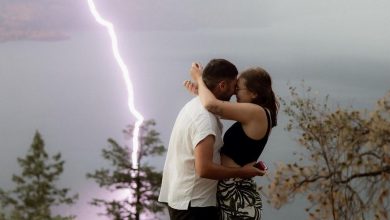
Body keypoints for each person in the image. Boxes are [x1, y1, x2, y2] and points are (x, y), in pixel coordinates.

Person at [158, 59, 264, 220]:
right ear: (222, 85)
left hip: (186, 201)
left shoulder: (195, 106)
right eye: (234, 86)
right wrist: (242, 172)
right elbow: (204, 169)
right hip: (195, 206)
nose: (235, 92)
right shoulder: (205, 119)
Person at [186, 63, 279, 220]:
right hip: (232, 192)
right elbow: (215, 108)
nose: (235, 93)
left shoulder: (257, 113)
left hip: (237, 195)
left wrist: (199, 79)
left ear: (254, 93)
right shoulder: (257, 114)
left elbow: (212, 106)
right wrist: (200, 92)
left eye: (238, 88)